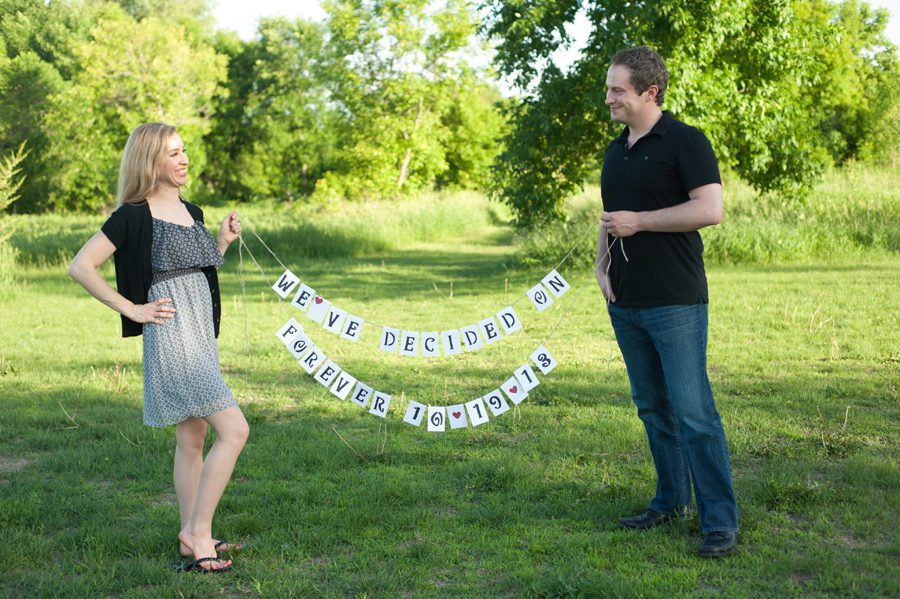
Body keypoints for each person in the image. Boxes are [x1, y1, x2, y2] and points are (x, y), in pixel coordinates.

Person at [69, 123, 248, 573]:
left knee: (193, 436)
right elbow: (81, 266)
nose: (184, 159)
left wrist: (221, 243)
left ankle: (190, 533)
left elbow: (198, 268)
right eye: (173, 153)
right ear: (150, 161)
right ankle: (199, 533)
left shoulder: (192, 210)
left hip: (201, 335)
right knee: (235, 430)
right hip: (173, 337)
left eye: (183, 150)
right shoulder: (132, 215)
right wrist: (132, 308)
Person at [595, 46, 739, 557]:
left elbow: (710, 209)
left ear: (650, 92)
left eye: (617, 90)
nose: (608, 98)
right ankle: (671, 502)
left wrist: (640, 222)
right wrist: (600, 264)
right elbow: (610, 215)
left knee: (694, 413)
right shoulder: (616, 149)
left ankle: (718, 522)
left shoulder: (686, 141)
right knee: (653, 409)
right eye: (608, 89)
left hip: (675, 300)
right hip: (625, 302)